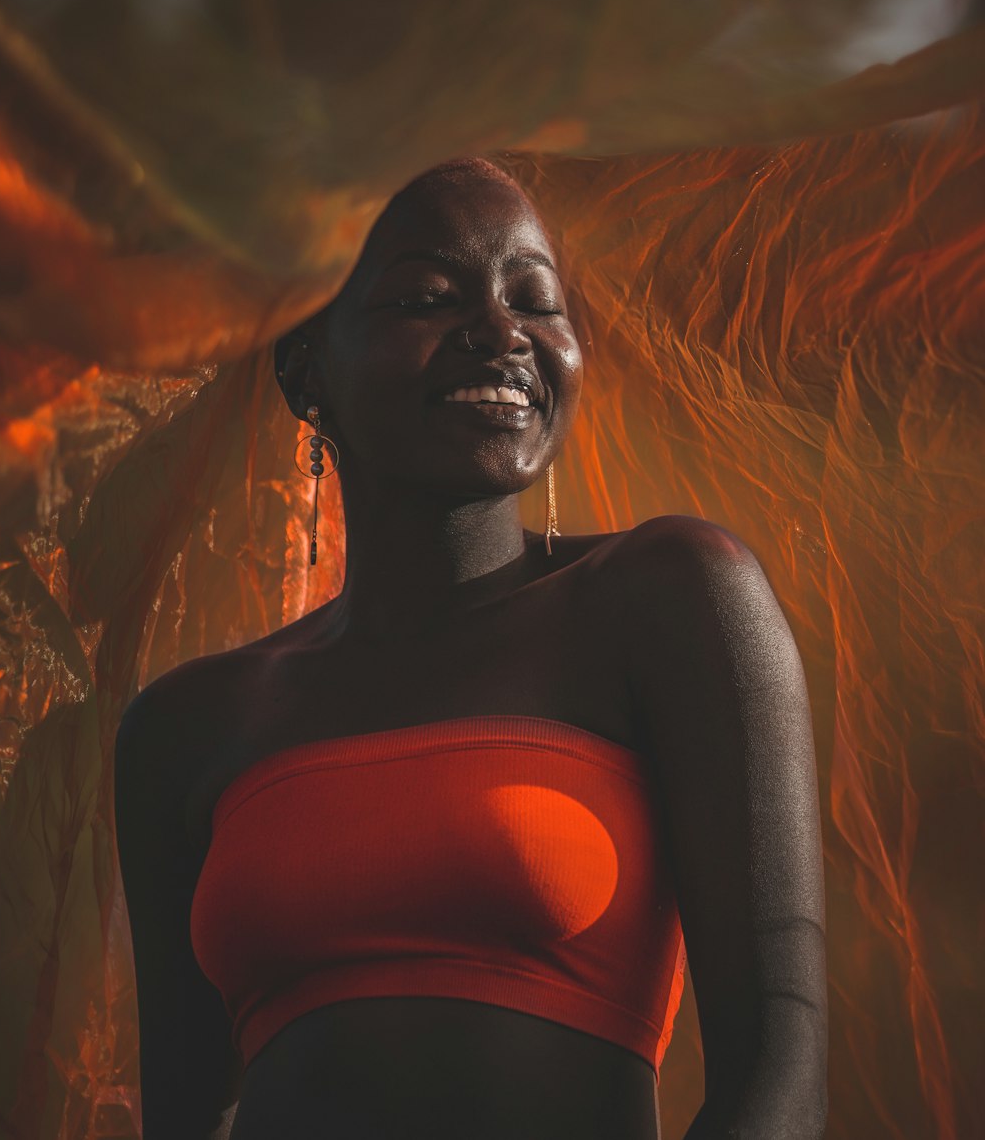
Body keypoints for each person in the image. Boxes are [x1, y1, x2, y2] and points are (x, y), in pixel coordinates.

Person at [114, 156, 828, 1140]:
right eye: (425, 296)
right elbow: (184, 1113)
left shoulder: (666, 597)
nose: (501, 332)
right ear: (306, 364)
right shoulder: (186, 724)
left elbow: (781, 1069)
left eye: (535, 301)